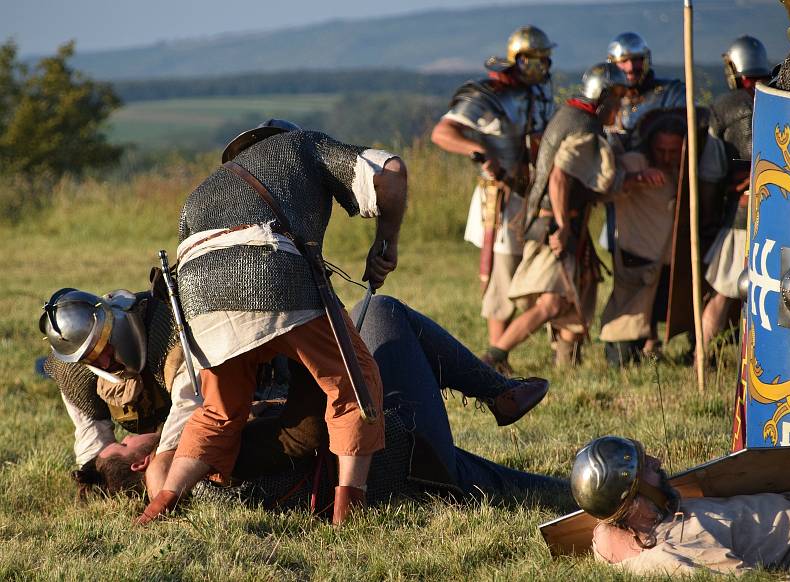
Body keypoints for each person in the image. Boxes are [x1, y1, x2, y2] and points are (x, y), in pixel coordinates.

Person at [132, 119, 409, 525]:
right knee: (356, 382)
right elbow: (392, 174)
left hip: (200, 298)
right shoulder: (302, 146)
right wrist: (386, 242)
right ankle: (350, 509)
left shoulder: (199, 193)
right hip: (275, 276)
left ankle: (162, 502)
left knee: (217, 409)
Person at [92, 296, 562, 514]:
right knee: (382, 312)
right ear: (139, 465)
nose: (132, 433)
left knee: (530, 489)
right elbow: (306, 431)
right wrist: (298, 347)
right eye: (126, 444)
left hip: (389, 448)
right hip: (400, 450)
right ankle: (496, 391)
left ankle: (611, 479)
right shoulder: (179, 465)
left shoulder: (195, 471)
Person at [480, 63, 665, 370]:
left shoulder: (575, 117)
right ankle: (491, 359)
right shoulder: (581, 125)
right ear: (604, 95)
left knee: (575, 296)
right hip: (554, 223)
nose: (618, 106)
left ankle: (566, 369)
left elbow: (587, 180)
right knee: (552, 301)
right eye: (616, 98)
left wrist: (636, 179)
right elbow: (559, 178)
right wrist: (564, 226)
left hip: (567, 222)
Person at [431, 25, 556, 366]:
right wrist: (481, 153)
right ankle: (496, 355)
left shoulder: (540, 93)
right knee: (502, 278)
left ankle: (522, 349)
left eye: (545, 60)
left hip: (536, 194)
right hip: (500, 199)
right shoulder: (488, 93)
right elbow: (443, 132)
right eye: (534, 60)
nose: (541, 67)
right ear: (519, 60)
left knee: (540, 273)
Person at [38, 286, 203, 495]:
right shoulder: (75, 373)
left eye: (103, 348)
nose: (105, 363)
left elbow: (190, 407)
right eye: (91, 358)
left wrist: (162, 467)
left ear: (113, 327)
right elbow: (93, 439)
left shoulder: (169, 332)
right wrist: (102, 481)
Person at [571, 435, 790, 575]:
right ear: (634, 502)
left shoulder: (615, 531)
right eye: (646, 467)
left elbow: (603, 535)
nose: (657, 462)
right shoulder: (670, 554)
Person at [699, 36, 771, 358]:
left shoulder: (724, 108)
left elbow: (711, 174)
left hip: (741, 216)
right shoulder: (783, 97)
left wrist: (708, 213)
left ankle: (701, 354)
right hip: (777, 215)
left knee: (723, 293)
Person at [599, 114, 687, 365]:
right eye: (662, 150)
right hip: (636, 251)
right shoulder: (634, 162)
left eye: (673, 150)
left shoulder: (681, 169)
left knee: (650, 315)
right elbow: (608, 187)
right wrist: (636, 178)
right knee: (627, 315)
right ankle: (618, 362)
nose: (667, 156)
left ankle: (643, 355)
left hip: (665, 256)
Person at [605, 32, 686, 153]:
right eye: (624, 61)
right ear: (613, 64)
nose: (630, 67)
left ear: (646, 61)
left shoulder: (671, 94)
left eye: (636, 60)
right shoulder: (604, 100)